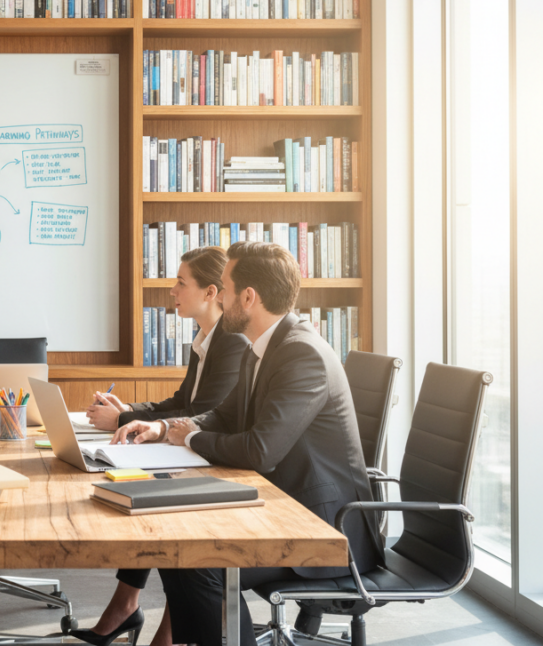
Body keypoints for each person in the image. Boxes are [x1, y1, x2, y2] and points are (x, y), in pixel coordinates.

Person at [110, 241, 383, 646]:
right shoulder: (262, 347)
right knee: (176, 548)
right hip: (285, 506)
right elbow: (224, 415)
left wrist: (194, 436)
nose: (218, 295)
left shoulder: (301, 354)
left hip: (325, 529)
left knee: (196, 563)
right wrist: (165, 429)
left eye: (224, 286)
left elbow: (260, 451)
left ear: (248, 297)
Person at [72, 246, 248, 646]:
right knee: (150, 497)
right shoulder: (206, 339)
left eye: (181, 283)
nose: (172, 290)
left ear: (210, 292)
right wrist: (129, 411)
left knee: (162, 511)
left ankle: (140, 619)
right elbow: (178, 403)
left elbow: (201, 413)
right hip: (193, 450)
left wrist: (124, 421)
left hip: (217, 461)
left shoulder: (232, 343)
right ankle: (130, 610)